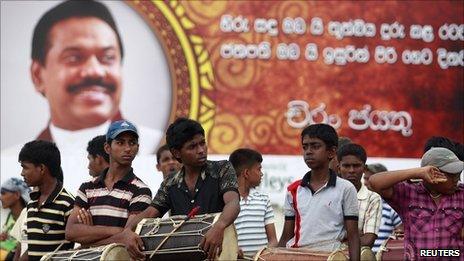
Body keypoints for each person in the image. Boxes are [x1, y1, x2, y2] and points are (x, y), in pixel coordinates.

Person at [26, 0, 161, 155]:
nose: (95, 71)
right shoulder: (9, 165)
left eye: (108, 57)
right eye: (74, 58)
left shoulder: (160, 150)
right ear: (38, 76)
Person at [117, 117, 240, 260]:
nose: (201, 150)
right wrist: (127, 231)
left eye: (202, 143)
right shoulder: (170, 182)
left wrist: (219, 226)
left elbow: (233, 203)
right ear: (176, 153)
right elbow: (151, 212)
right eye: (192, 146)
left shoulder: (222, 169)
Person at [278, 123, 360, 261]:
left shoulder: (346, 188)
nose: (308, 151)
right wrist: (276, 255)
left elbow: (353, 236)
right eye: (305, 147)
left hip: (331, 257)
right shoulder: (293, 190)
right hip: (297, 256)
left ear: (332, 152)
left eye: (315, 146)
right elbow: (286, 236)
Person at [65, 120, 152, 247]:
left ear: (137, 147)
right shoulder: (87, 187)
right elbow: (71, 231)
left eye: (132, 143)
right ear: (107, 148)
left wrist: (88, 239)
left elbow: (129, 239)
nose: (127, 148)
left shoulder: (141, 190)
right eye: (120, 142)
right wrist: (118, 231)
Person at [369, 147, 464, 260]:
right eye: (451, 175)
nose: (457, 179)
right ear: (432, 173)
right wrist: (418, 172)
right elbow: (374, 182)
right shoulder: (408, 192)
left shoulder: (461, 194)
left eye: (458, 174)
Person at [18, 140, 74, 260]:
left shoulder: (68, 203)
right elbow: (33, 247)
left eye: (25, 167)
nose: (22, 173)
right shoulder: (31, 203)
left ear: (42, 168)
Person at [229, 148, 278, 258]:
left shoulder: (263, 199)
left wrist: (262, 255)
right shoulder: (224, 201)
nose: (261, 174)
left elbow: (273, 240)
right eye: (259, 169)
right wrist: (231, 249)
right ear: (246, 173)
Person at [337, 143, 382, 248]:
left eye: (356, 166)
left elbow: (368, 240)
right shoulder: (328, 194)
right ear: (339, 168)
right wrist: (356, 235)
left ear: (364, 168)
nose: (351, 170)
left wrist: (338, 242)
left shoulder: (372, 198)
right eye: (346, 166)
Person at [363, 163, 402, 254]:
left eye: (370, 179)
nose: (366, 182)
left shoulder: (392, 207)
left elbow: (400, 237)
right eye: (365, 178)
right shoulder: (358, 204)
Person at [0, 178, 30, 260]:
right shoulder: (10, 216)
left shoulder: (28, 218)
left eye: (3, 193)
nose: (0, 197)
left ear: (17, 195)